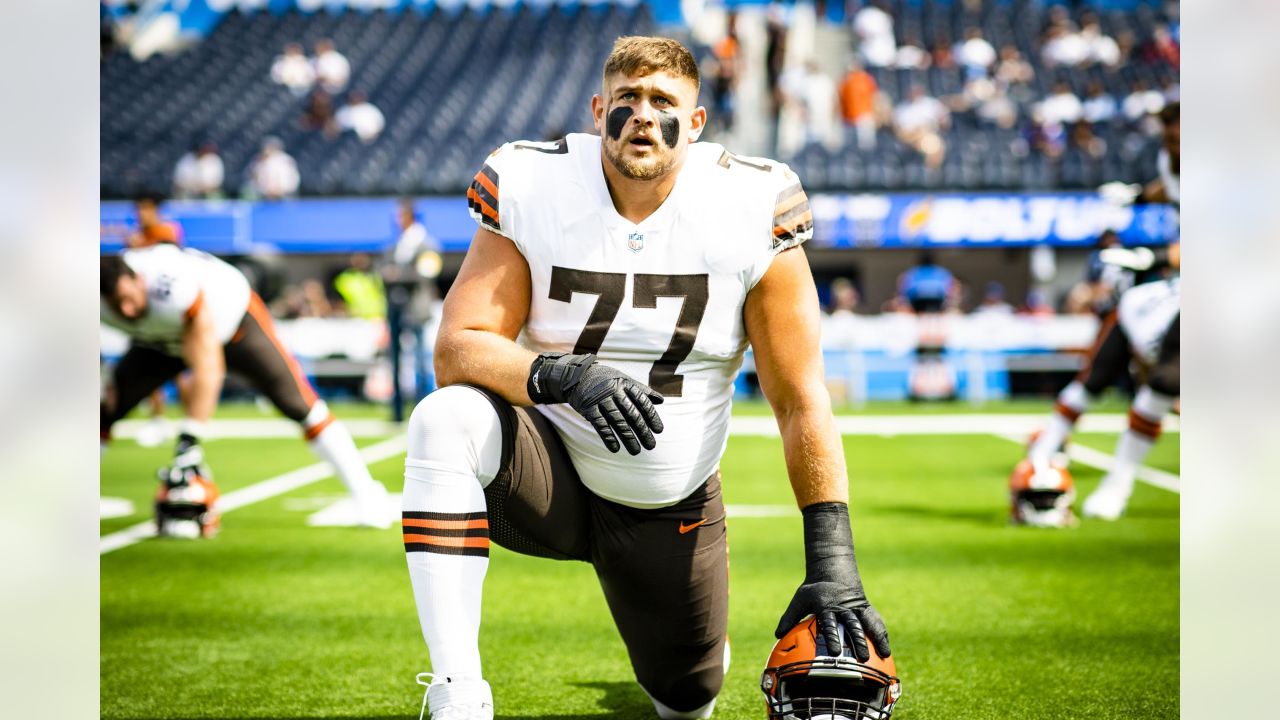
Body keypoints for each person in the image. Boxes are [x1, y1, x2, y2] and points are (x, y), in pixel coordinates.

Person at [402, 36, 891, 720]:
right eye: (626, 99)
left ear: (694, 124)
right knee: (443, 418)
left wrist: (832, 557)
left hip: (670, 502)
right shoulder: (535, 184)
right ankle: (458, 696)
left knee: (686, 698)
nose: (641, 114)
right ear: (598, 109)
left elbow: (799, 398)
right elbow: (458, 348)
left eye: (663, 101)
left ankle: (690, 659)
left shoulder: (750, 201)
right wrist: (561, 374)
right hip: (551, 477)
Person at [100, 245, 392, 529]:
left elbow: (208, 368)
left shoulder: (173, 287)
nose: (126, 309)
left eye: (128, 297)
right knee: (101, 412)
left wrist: (189, 439)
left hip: (233, 326)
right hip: (158, 341)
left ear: (139, 279)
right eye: (116, 304)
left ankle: (367, 495)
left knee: (300, 405)